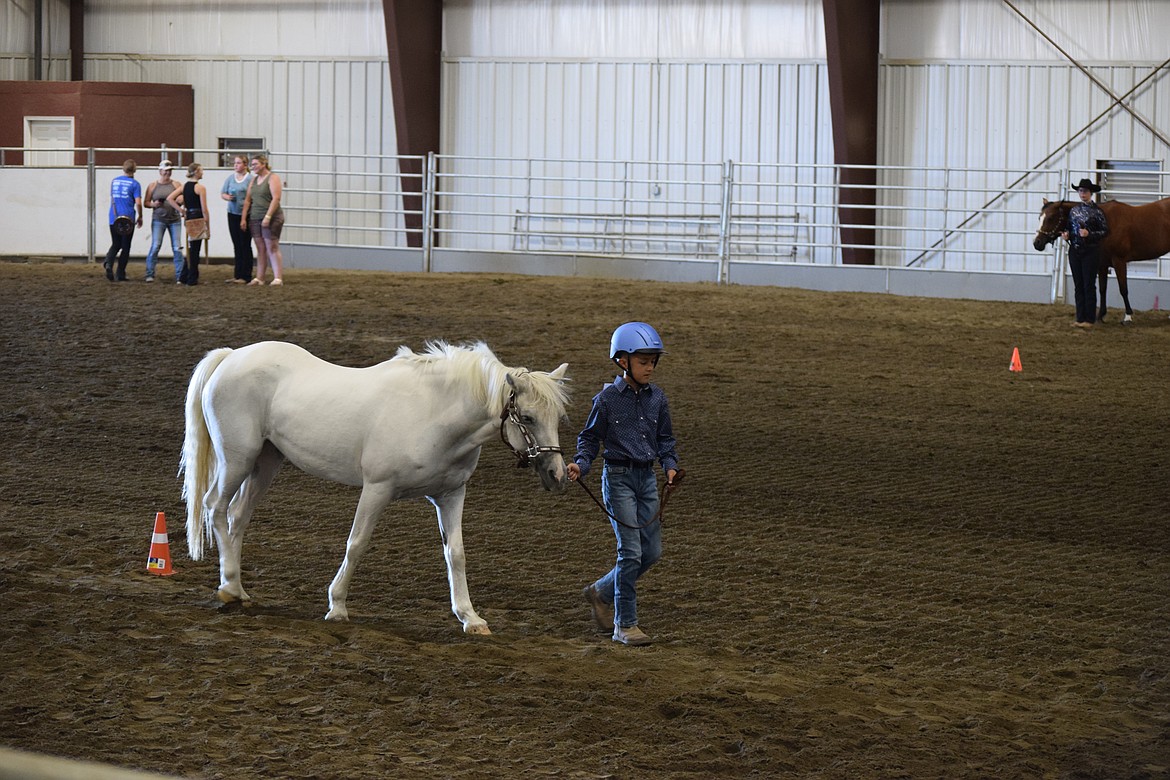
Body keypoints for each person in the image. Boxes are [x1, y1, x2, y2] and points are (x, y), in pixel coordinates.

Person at [567, 321, 680, 646]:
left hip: (647, 479)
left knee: (652, 553)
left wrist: (670, 467)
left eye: (652, 361)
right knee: (630, 553)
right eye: (643, 361)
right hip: (617, 479)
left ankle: (601, 591)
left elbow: (666, 440)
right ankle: (624, 625)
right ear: (622, 361)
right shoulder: (605, 401)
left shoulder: (658, 399)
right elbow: (589, 439)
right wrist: (581, 464)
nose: (650, 367)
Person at [1062, 178, 1109, 328]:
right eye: (1081, 191)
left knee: (1088, 285)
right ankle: (1080, 317)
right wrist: (1067, 234)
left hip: (1091, 250)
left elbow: (1104, 231)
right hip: (1075, 250)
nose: (1083, 194)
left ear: (1091, 193)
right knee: (1079, 285)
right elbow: (1069, 227)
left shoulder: (1097, 212)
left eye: (1086, 191)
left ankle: (1089, 319)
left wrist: (1089, 234)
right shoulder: (1074, 211)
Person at [241, 154, 285, 286]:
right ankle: (260, 277)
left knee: (272, 246)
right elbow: (248, 200)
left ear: (263, 164)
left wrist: (268, 216)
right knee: (260, 248)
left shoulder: (273, 178)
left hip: (271, 217)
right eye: (252, 165)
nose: (252, 167)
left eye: (255, 164)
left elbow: (276, 198)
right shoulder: (253, 181)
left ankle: (278, 277)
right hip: (255, 217)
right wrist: (244, 218)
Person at [142, 160, 185, 283]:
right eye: (165, 171)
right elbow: (146, 202)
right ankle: (149, 273)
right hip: (159, 219)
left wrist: (181, 199)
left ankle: (179, 275)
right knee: (156, 246)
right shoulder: (152, 186)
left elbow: (183, 197)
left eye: (169, 171)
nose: (167, 173)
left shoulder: (176, 184)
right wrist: (153, 204)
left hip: (174, 219)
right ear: (160, 171)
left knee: (177, 247)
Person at [168, 162, 210, 286]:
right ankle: (191, 278)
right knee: (194, 249)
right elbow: (204, 209)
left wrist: (181, 210)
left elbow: (170, 198)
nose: (202, 173)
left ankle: (184, 276)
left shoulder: (184, 187)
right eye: (201, 170)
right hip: (198, 218)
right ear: (196, 171)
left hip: (189, 218)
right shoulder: (200, 188)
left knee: (191, 248)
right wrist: (208, 225)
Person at [102, 159, 143, 282]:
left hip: (114, 217)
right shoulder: (135, 184)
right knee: (125, 247)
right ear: (134, 170)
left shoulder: (114, 181)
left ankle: (108, 263)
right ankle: (120, 273)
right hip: (128, 219)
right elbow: (138, 203)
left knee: (116, 243)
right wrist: (140, 216)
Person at [220, 154, 254, 283]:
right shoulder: (230, 178)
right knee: (236, 244)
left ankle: (246, 275)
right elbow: (222, 193)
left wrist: (244, 217)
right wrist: (226, 197)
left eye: (238, 163)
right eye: (235, 163)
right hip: (232, 213)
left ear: (245, 165)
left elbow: (251, 198)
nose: (236, 165)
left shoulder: (250, 179)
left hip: (246, 215)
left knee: (245, 244)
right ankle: (237, 274)